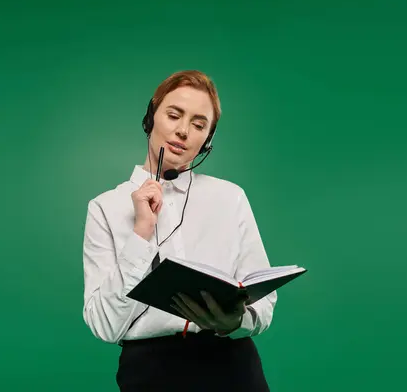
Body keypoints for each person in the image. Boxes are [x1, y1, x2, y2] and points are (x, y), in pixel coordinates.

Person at [81, 70, 276, 391]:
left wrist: (236, 322)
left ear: (207, 141)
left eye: (199, 125)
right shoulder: (105, 207)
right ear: (150, 118)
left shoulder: (230, 197)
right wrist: (141, 233)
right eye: (174, 115)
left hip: (234, 365)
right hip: (150, 372)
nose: (183, 131)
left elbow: (264, 301)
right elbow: (105, 326)